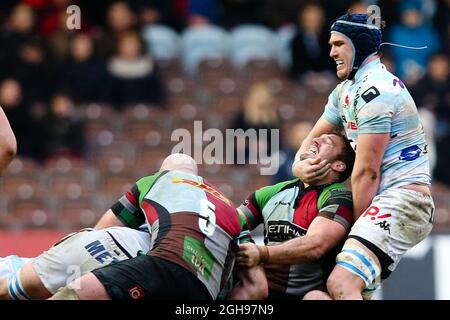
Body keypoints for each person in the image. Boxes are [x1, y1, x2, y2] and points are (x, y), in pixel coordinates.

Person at [292, 12, 434, 299]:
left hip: (403, 198)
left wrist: (351, 228)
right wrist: (299, 167)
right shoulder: (346, 89)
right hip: (382, 199)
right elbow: (310, 141)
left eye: (338, 44)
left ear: (359, 46)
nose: (331, 52)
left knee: (341, 284)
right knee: (318, 296)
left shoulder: (376, 92)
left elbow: (367, 171)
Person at [50, 153, 267, 300]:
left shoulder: (157, 181)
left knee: (78, 291)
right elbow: (257, 287)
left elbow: (100, 237)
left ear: (164, 172)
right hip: (203, 292)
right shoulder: (232, 210)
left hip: (163, 266)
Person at [234, 133, 355, 300]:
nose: (315, 140)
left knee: (316, 298)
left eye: (327, 142)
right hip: (263, 294)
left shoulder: (340, 197)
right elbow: (231, 222)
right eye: (318, 137)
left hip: (306, 295)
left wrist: (262, 253)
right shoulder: (271, 192)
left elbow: (315, 246)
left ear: (339, 165)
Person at [0, 226, 150, 300]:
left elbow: (112, 219)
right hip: (136, 268)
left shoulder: (162, 185)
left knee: (8, 288)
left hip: (105, 242)